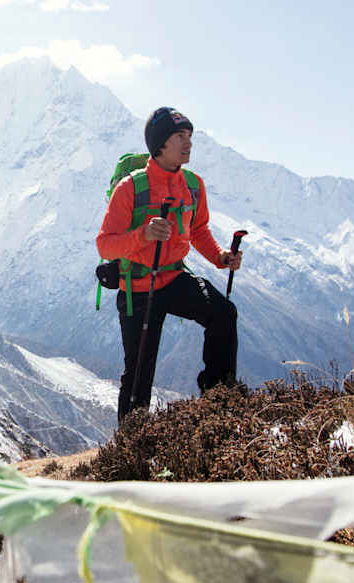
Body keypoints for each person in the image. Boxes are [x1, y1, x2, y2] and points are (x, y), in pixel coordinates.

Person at [96, 107, 243, 423]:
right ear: (161, 142)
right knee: (139, 370)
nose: (188, 142)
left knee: (223, 314)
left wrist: (220, 258)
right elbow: (105, 243)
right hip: (137, 287)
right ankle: (130, 444)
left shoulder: (193, 184)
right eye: (180, 136)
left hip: (173, 277)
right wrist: (144, 235)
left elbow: (198, 230)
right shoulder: (131, 188)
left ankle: (217, 405)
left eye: (189, 135)